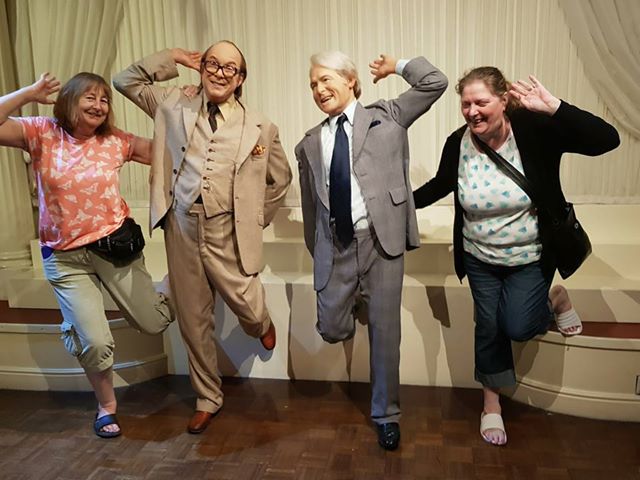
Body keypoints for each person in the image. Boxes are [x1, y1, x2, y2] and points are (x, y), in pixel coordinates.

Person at [412, 67, 620, 446]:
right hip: (479, 255)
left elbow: (607, 140)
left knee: (518, 326)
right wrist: (397, 205)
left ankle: (555, 298)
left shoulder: (534, 130)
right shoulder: (458, 143)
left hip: (531, 256)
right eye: (465, 104)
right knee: (488, 326)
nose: (472, 111)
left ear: (504, 100)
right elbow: (440, 185)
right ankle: (491, 404)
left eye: (481, 102)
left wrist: (555, 107)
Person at [113, 42, 292, 434]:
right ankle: (208, 397)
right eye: (213, 63)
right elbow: (125, 80)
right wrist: (173, 57)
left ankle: (260, 323)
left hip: (228, 226)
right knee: (193, 318)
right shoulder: (172, 104)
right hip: (181, 223)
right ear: (202, 68)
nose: (219, 73)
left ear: (240, 79)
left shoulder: (260, 126)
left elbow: (280, 179)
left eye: (230, 68)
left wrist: (254, 219)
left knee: (247, 302)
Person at [0, 72, 175, 438]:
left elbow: (171, 153)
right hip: (65, 258)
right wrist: (29, 93)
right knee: (95, 342)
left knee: (154, 323)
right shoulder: (42, 132)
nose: (99, 105)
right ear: (70, 100)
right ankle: (106, 406)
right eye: (90, 97)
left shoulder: (116, 141)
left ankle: (172, 285)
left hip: (114, 248)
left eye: (104, 99)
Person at [295, 51, 448, 450]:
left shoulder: (388, 115)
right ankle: (357, 302)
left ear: (350, 80)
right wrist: (320, 253)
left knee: (385, 335)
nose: (318, 89)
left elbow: (435, 82)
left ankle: (386, 415)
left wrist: (397, 66)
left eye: (325, 80)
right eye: (313, 84)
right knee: (332, 328)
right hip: (337, 246)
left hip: (382, 244)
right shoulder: (308, 143)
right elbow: (311, 208)